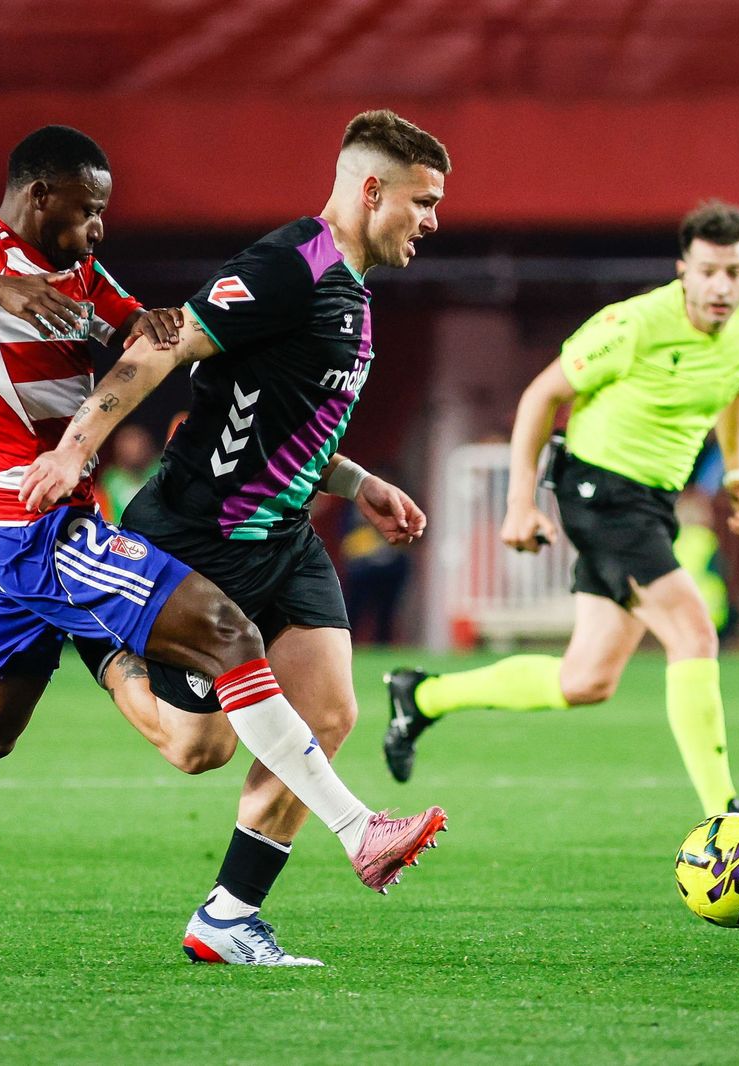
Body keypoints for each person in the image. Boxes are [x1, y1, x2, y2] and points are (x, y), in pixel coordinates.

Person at [0, 125, 445, 965]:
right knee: (228, 635)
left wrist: (162, 328)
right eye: (89, 211)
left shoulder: (80, 268)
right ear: (41, 196)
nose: (100, 228)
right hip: (33, 522)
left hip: (43, 523)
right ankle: (357, 827)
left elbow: (145, 336)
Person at [27, 109, 450, 966]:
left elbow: (290, 424)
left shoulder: (356, 297)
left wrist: (358, 482)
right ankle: (100, 642)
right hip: (198, 539)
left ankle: (227, 915)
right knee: (199, 749)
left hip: (284, 541)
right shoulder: (289, 266)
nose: (433, 221)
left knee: (329, 711)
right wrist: (76, 448)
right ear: (371, 190)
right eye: (423, 201)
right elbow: (160, 349)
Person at [382, 201, 739, 834]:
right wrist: (519, 501)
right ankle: (727, 819)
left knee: (587, 680)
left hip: (651, 502)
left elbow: (734, 385)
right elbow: (540, 396)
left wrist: (738, 473)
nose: (721, 287)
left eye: (734, 273)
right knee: (695, 633)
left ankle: (422, 697)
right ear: (683, 268)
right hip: (598, 491)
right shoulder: (632, 324)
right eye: (708, 271)